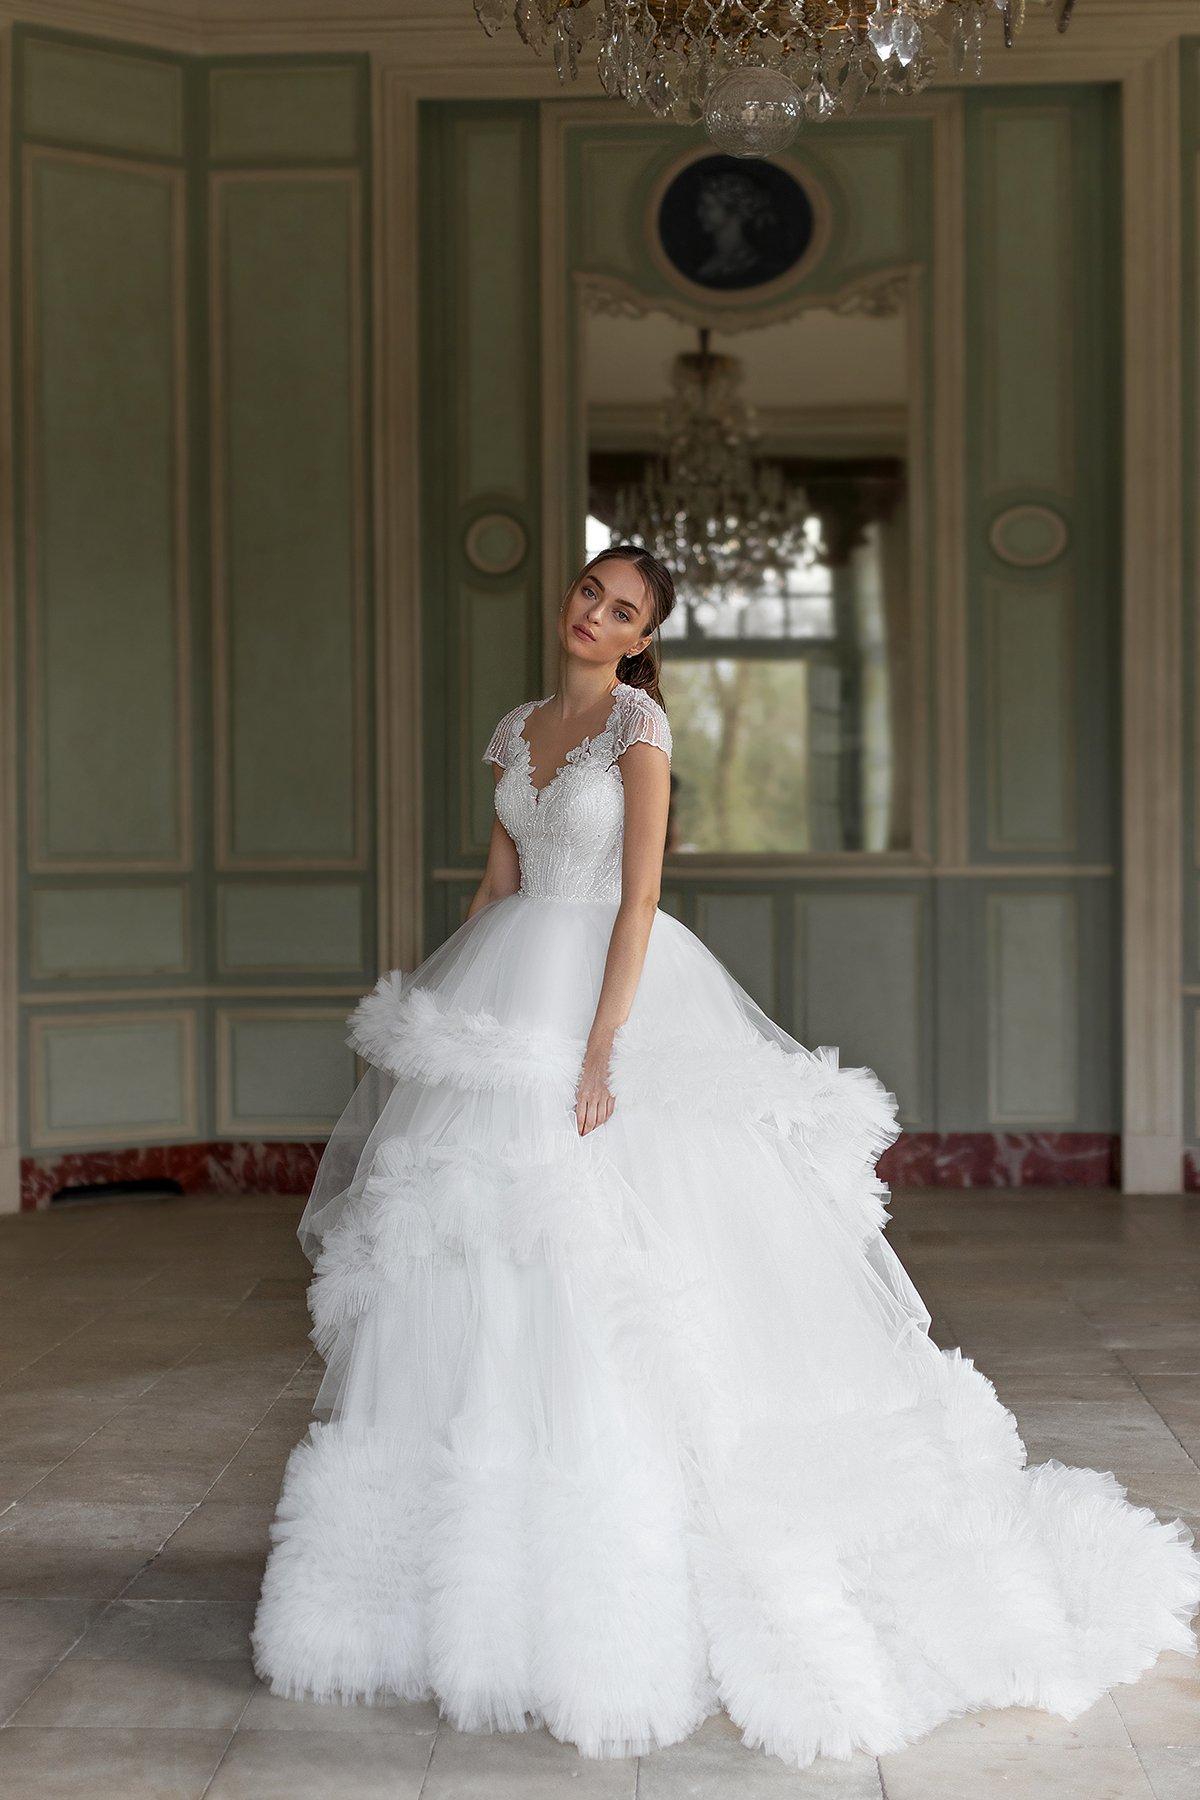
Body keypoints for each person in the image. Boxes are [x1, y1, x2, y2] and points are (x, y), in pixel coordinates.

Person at [251, 543, 1200, 1770]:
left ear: (645, 636)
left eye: (624, 608)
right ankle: (466, 1584)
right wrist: (438, 1018)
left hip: (609, 994)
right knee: (487, 1260)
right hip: (510, 988)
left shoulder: (637, 729)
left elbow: (638, 896)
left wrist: (604, 1049)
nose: (596, 614)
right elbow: (499, 883)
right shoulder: (516, 727)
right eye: (590, 591)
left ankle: (636, 1569)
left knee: (624, 1255)